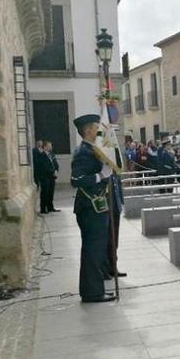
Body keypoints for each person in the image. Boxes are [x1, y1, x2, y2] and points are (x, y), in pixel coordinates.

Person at [70, 114, 116, 303]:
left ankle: (94, 289)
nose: (99, 129)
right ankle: (92, 293)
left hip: (95, 207)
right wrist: (100, 175)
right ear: (88, 130)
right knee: (92, 250)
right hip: (89, 208)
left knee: (96, 250)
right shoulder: (83, 151)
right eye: (97, 126)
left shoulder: (92, 149)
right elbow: (76, 180)